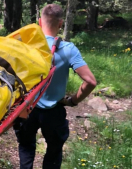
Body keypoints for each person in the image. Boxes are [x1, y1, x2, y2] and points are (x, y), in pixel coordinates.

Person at [14, 4, 97, 169]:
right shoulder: (68, 49)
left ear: (39, 22)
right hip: (54, 111)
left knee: (26, 147)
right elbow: (91, 81)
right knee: (54, 151)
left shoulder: (23, 46)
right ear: (60, 24)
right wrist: (73, 101)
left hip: (26, 108)